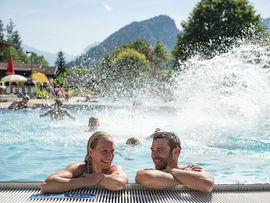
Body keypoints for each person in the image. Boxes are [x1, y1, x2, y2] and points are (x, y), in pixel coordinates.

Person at [40, 131, 128, 193]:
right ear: (91, 152)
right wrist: (85, 181)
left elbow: (119, 184)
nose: (109, 156)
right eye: (104, 151)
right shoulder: (79, 168)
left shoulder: (114, 169)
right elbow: (46, 185)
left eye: (112, 151)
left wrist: (96, 177)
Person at [135, 131, 214, 193]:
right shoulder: (190, 172)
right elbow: (145, 176)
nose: (154, 155)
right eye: (152, 150)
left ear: (175, 151)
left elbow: (208, 184)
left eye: (160, 150)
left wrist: (168, 171)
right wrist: (188, 179)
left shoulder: (193, 169)